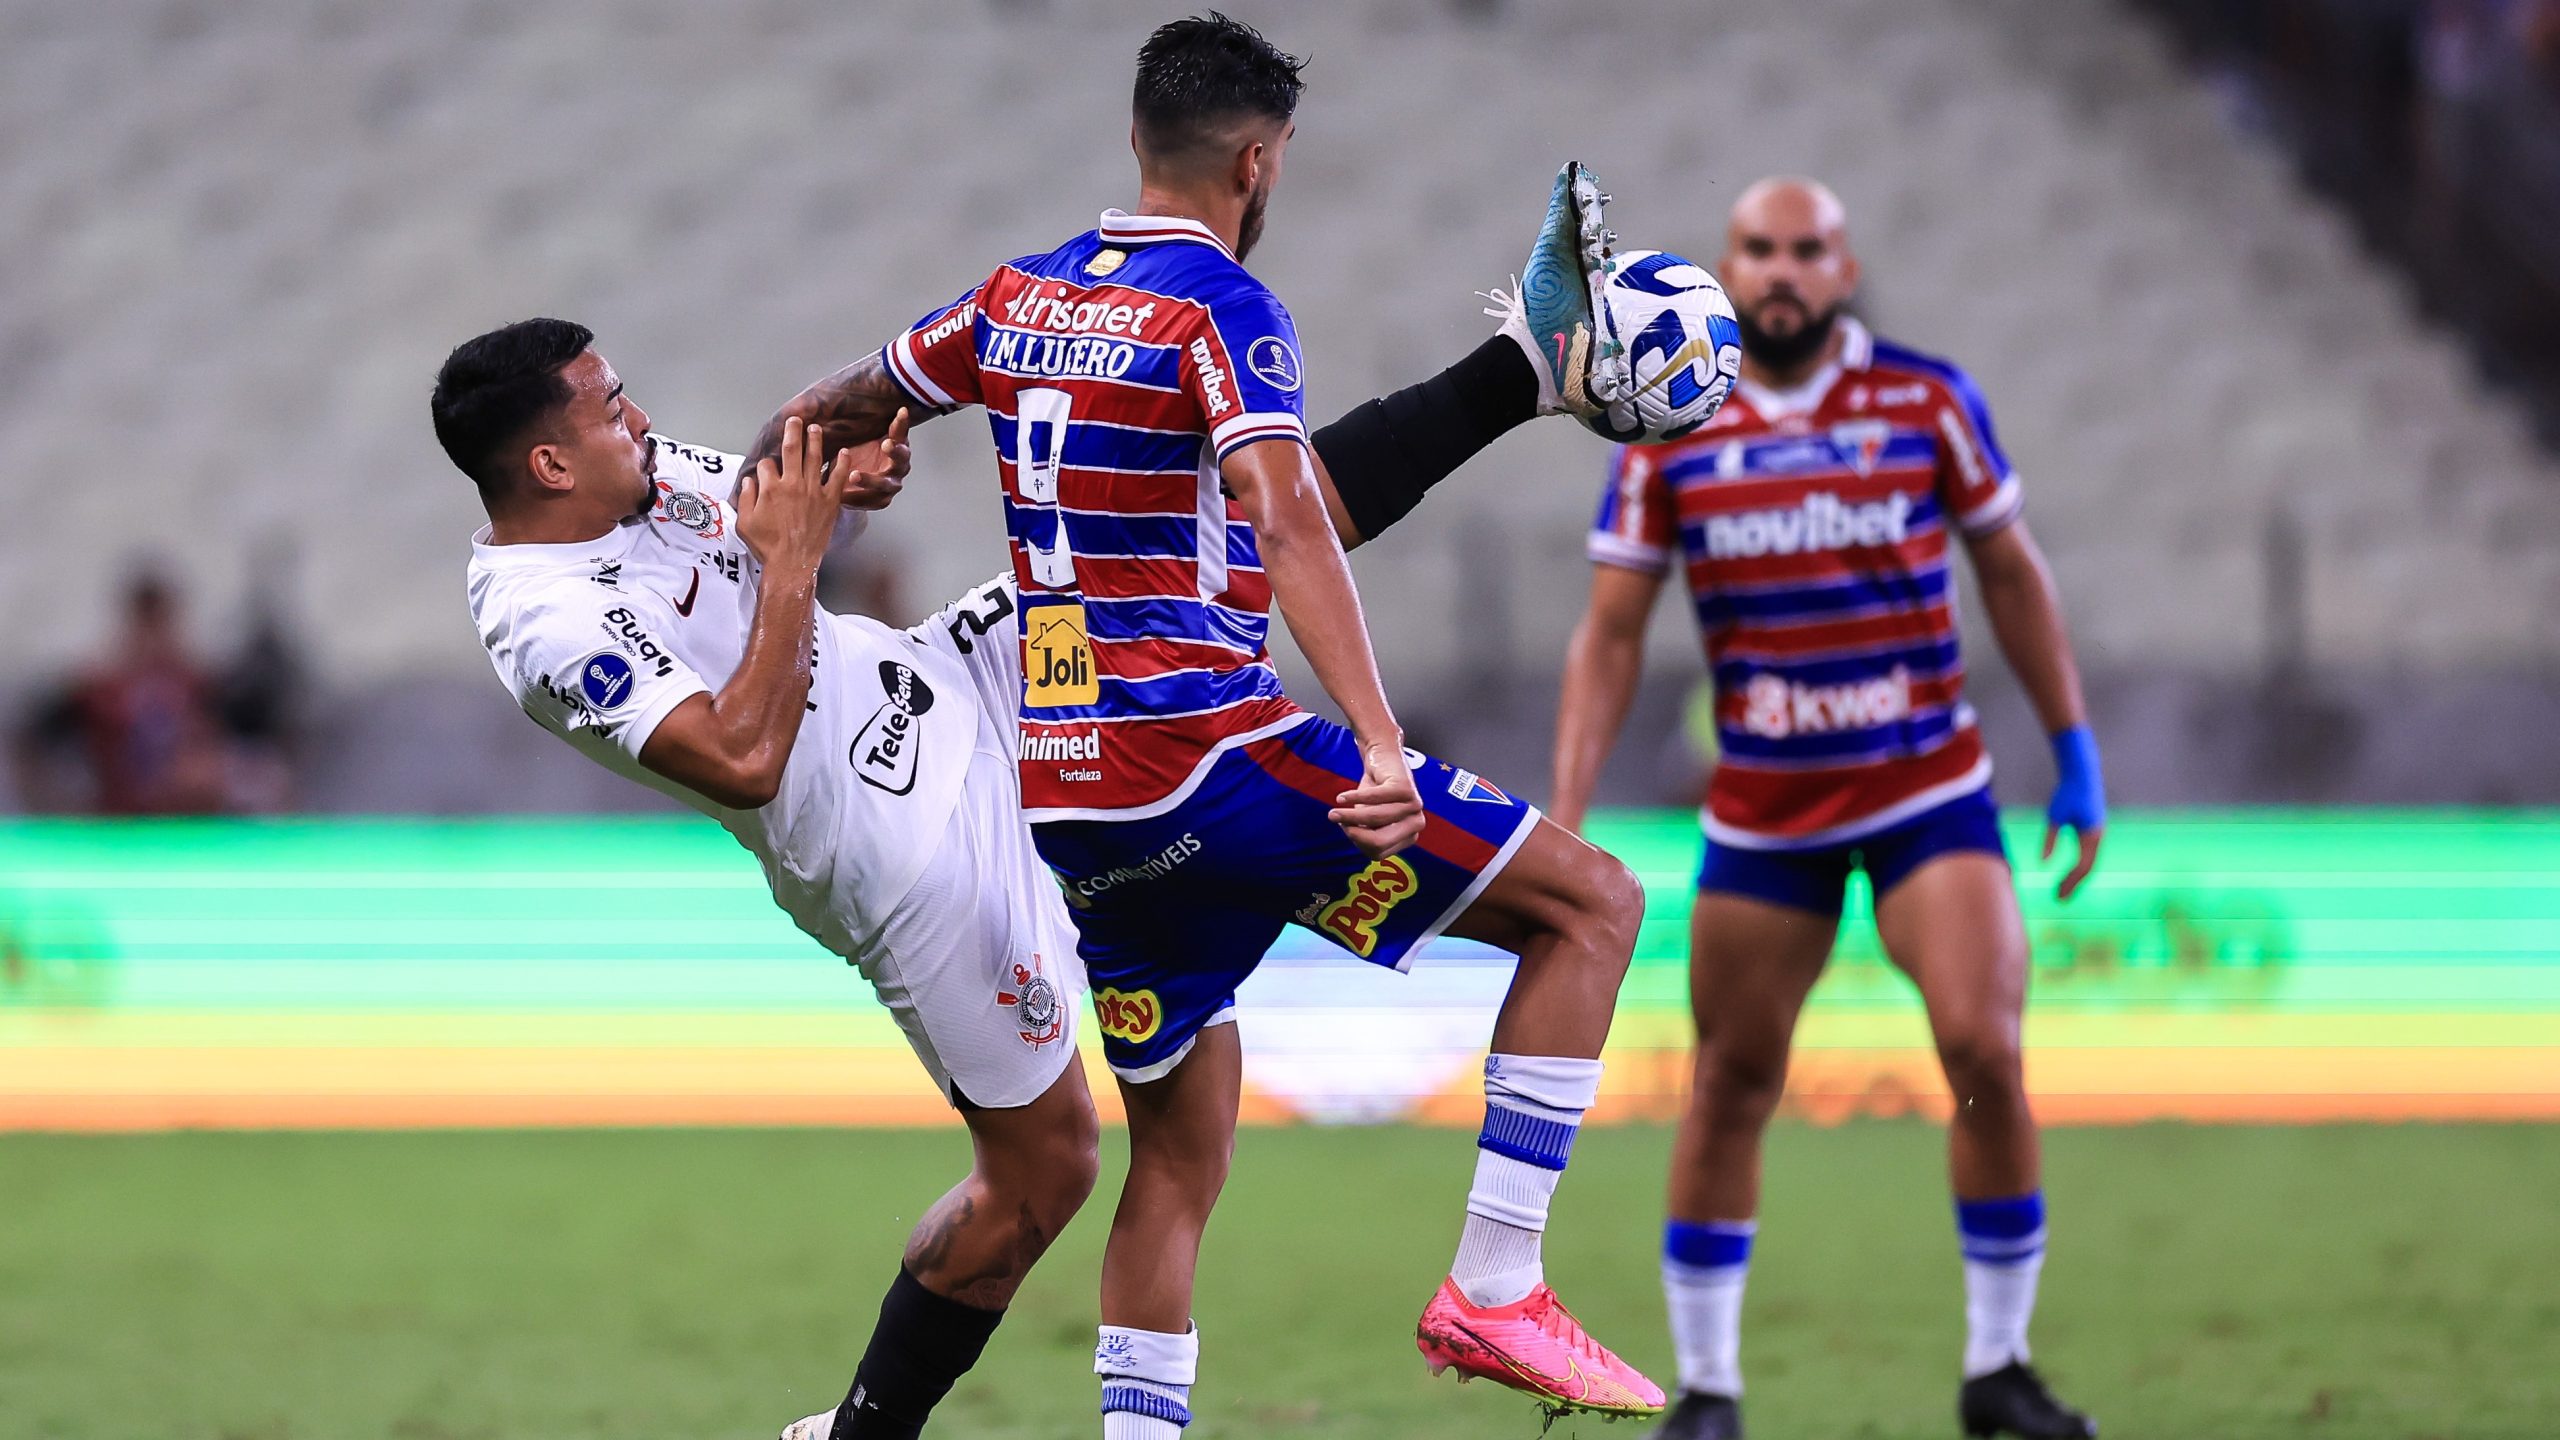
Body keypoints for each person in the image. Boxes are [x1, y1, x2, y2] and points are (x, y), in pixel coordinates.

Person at [749, 14, 1664, 1432]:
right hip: (1208, 765)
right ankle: (1497, 1283)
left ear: (1132, 138)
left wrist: (839, 469)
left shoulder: (1008, 299)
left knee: (1179, 1148)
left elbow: (821, 409)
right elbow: (1293, 517)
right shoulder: (1221, 308)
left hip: (1077, 807)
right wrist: (1371, 738)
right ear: (1259, 160)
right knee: (1592, 907)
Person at [437, 321, 1105, 1440]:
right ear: (549, 465)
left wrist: (838, 472)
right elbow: (744, 762)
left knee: (1135, 555)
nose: (640, 422)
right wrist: (798, 554)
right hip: (901, 859)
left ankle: (1498, 384)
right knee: (1048, 1171)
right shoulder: (545, 623)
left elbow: (759, 481)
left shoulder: (632, 483)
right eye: (610, 410)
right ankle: (862, 1432)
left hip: (943, 678)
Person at [1550, 176, 2105, 1440]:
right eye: (1759, 250)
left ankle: (1997, 1369)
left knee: (1982, 1049)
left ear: (1844, 270)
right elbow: (1610, 634)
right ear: (1725, 271)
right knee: (1732, 1081)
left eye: (1807, 251)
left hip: (1927, 791)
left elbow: (2011, 574)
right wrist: (1569, 809)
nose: (1782, 271)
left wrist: (2073, 749)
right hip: (1765, 812)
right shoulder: (1671, 424)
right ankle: (1708, 1390)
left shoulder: (1926, 399)